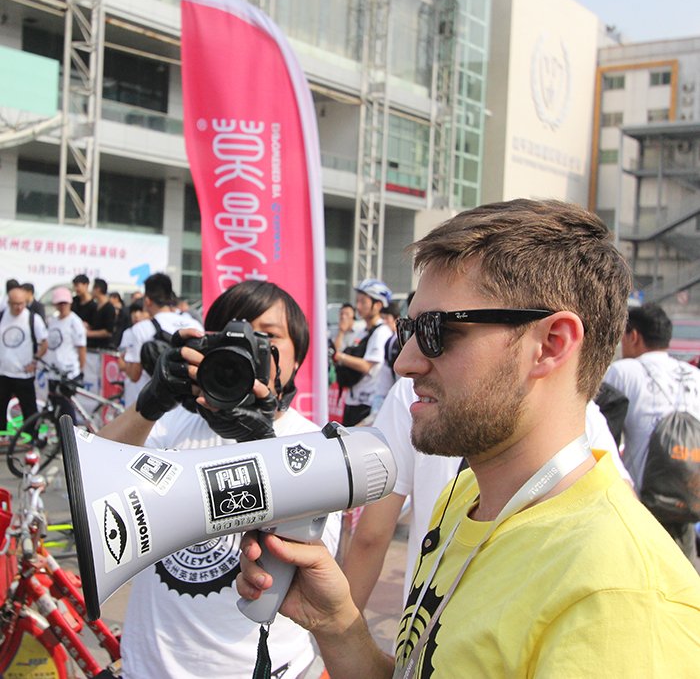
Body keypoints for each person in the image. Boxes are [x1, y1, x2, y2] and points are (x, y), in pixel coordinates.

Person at [238, 199, 700, 678]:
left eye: (438, 331)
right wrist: (337, 626)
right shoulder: (466, 497)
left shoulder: (620, 600)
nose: (406, 362)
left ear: (551, 344)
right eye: (409, 329)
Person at [99, 280, 341, 679]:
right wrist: (150, 402)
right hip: (150, 666)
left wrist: (262, 444)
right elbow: (93, 482)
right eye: (230, 334)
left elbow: (304, 557)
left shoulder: (315, 447)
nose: (244, 346)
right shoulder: (168, 425)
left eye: (267, 336)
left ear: (298, 358)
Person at [344, 377, 635, 611]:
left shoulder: (411, 394)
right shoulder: (571, 406)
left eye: (442, 330)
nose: (407, 360)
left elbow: (372, 535)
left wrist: (344, 630)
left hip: (428, 633)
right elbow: (627, 516)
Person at [605, 303, 700, 566]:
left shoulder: (623, 372)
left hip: (640, 503)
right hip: (688, 499)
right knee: (686, 580)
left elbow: (603, 435)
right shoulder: (695, 376)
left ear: (633, 336)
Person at [122, 273, 203, 385]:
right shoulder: (194, 325)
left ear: (147, 300)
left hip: (155, 397)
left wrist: (126, 356)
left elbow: (134, 375)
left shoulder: (141, 329)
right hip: (188, 396)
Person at [335, 279, 394, 426]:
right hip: (352, 399)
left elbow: (367, 366)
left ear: (378, 305)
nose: (358, 306)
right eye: (357, 301)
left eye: (363, 301)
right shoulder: (362, 331)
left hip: (367, 403)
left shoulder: (382, 332)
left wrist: (339, 356)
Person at [0, 286, 48, 439]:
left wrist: (34, 361)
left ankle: (31, 438)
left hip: (24, 373)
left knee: (29, 409)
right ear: (8, 302)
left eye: (21, 303)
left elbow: (44, 343)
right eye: (14, 303)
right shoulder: (2, 316)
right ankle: (2, 437)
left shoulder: (32, 318)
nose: (18, 307)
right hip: (3, 372)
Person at [44, 287, 87, 423]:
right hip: (53, 372)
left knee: (67, 411)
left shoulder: (75, 322)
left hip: (68, 373)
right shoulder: (53, 321)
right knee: (55, 409)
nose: (62, 306)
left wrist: (81, 370)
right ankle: (60, 441)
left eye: (65, 303)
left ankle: (71, 441)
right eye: (59, 303)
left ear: (69, 303)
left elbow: (81, 348)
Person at [117, 298, 150, 408]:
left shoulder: (153, 333)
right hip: (132, 386)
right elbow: (121, 361)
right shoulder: (127, 333)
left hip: (147, 384)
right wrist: (132, 366)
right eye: (133, 312)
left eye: (140, 311)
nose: (136, 315)